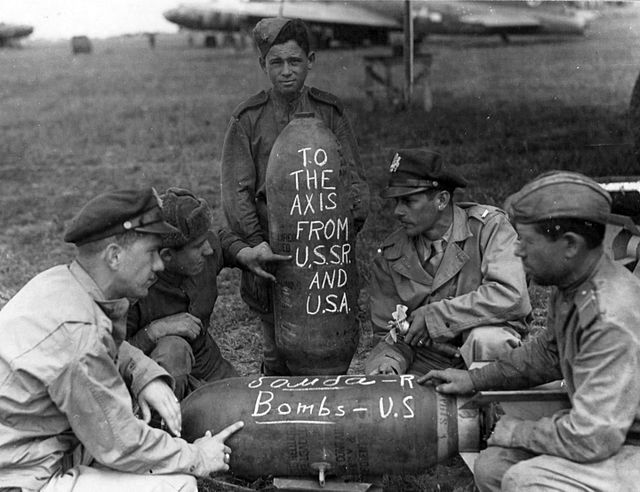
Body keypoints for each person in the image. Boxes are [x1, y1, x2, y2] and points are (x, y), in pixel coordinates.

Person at [0, 188, 244, 492]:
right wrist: (196, 456)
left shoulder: (62, 282)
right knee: (180, 485)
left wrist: (144, 374)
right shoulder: (80, 334)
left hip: (37, 444)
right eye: (152, 252)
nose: (158, 265)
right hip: (21, 475)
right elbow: (120, 442)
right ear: (115, 256)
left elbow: (108, 344)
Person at [421, 171, 640, 491]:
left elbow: (592, 439)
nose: (518, 252)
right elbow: (548, 352)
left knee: (525, 481)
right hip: (615, 430)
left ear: (569, 245)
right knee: (492, 469)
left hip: (619, 440)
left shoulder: (610, 318)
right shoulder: (574, 283)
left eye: (526, 241)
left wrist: (516, 431)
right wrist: (473, 379)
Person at [220, 17, 370, 376]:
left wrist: (336, 236)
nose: (286, 71)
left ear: (311, 60)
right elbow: (236, 193)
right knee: (276, 353)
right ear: (263, 65)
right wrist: (258, 245)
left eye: (295, 61)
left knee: (329, 351)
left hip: (324, 259)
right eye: (276, 62)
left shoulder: (330, 113)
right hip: (272, 259)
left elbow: (355, 183)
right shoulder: (248, 120)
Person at [365, 148, 530, 376]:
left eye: (408, 201)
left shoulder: (489, 229)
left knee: (489, 340)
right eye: (396, 202)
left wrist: (436, 316)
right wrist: (388, 363)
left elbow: (512, 297)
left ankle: (492, 408)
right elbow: (388, 334)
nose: (397, 211)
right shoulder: (390, 255)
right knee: (380, 377)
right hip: (425, 362)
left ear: (442, 200)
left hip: (484, 356)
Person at [127, 188, 290, 399]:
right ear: (166, 256)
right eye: (197, 246)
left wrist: (245, 254)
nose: (208, 250)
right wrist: (155, 330)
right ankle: (162, 423)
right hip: (159, 374)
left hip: (206, 364)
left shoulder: (201, 254)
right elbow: (113, 355)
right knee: (173, 349)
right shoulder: (134, 286)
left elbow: (220, 240)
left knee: (248, 409)